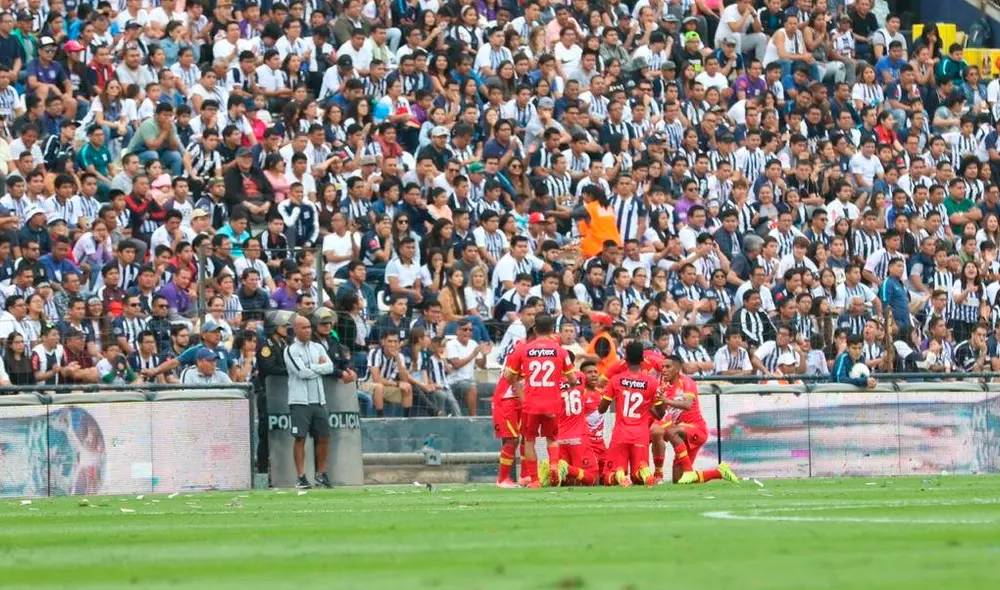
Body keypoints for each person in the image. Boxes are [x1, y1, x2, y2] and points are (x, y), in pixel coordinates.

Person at [503, 312, 576, 488]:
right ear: (552, 330)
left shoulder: (523, 349)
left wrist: (521, 391)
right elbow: (573, 379)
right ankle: (552, 465)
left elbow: (508, 376)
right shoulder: (561, 351)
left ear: (534, 328)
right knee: (552, 439)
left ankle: (535, 479)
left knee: (529, 440)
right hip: (552, 402)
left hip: (531, 403)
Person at [659, 354, 740, 485]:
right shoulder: (664, 388)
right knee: (678, 480)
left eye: (668, 367)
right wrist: (657, 402)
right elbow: (660, 413)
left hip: (696, 429)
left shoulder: (686, 382)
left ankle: (688, 471)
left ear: (678, 368)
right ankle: (718, 472)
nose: (663, 370)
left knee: (671, 431)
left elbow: (687, 405)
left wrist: (666, 400)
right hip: (682, 436)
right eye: (662, 367)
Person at [598, 340, 665, 487]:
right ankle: (645, 472)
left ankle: (620, 474)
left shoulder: (616, 380)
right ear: (643, 359)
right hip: (641, 435)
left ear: (625, 358)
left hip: (620, 433)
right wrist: (648, 407)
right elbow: (660, 414)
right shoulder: (652, 382)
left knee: (608, 476)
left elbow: (601, 409)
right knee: (637, 477)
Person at [284, 315, 336, 489]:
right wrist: (318, 368)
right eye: (304, 328)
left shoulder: (318, 347)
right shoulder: (291, 350)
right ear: (296, 330)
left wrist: (312, 367)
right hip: (300, 400)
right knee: (300, 438)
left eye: (309, 327)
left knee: (324, 436)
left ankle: (320, 474)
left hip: (318, 399)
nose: (308, 330)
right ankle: (300, 476)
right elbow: (301, 373)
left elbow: (330, 367)